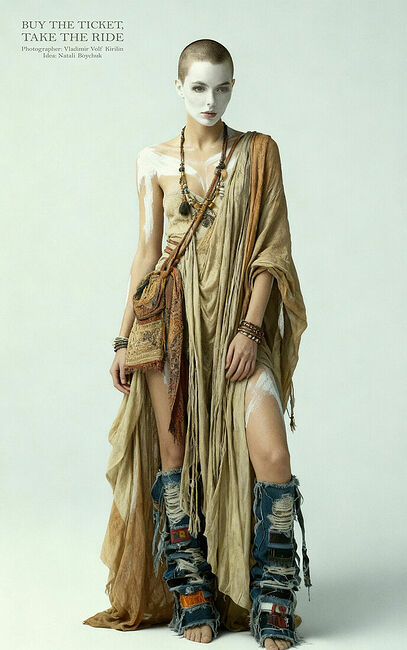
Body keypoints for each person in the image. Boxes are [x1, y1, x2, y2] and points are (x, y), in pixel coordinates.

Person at [83, 39, 312, 650]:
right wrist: (123, 337)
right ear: (178, 86)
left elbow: (272, 252)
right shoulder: (153, 160)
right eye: (199, 87)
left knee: (273, 456)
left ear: (233, 87)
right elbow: (146, 254)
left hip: (236, 323)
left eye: (223, 87)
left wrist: (251, 329)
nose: (211, 100)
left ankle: (274, 592)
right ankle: (190, 588)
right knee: (175, 451)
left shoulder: (258, 154)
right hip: (172, 324)